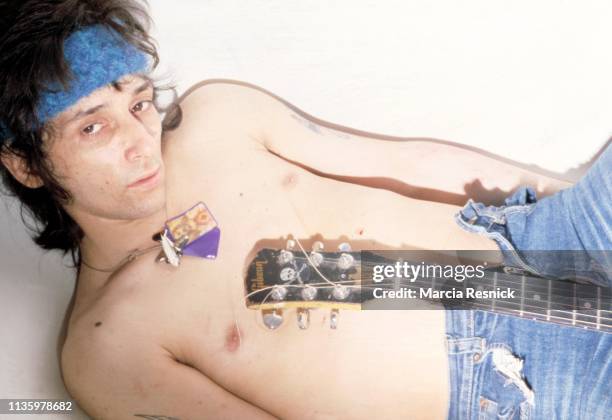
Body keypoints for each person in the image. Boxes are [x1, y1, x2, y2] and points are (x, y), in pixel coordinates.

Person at [0, 1, 609, 419]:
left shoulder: (215, 121)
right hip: (521, 380)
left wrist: (564, 196)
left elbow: (405, 163)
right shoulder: (107, 347)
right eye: (93, 130)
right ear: (26, 164)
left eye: (137, 104)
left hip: (535, 236)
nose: (139, 141)